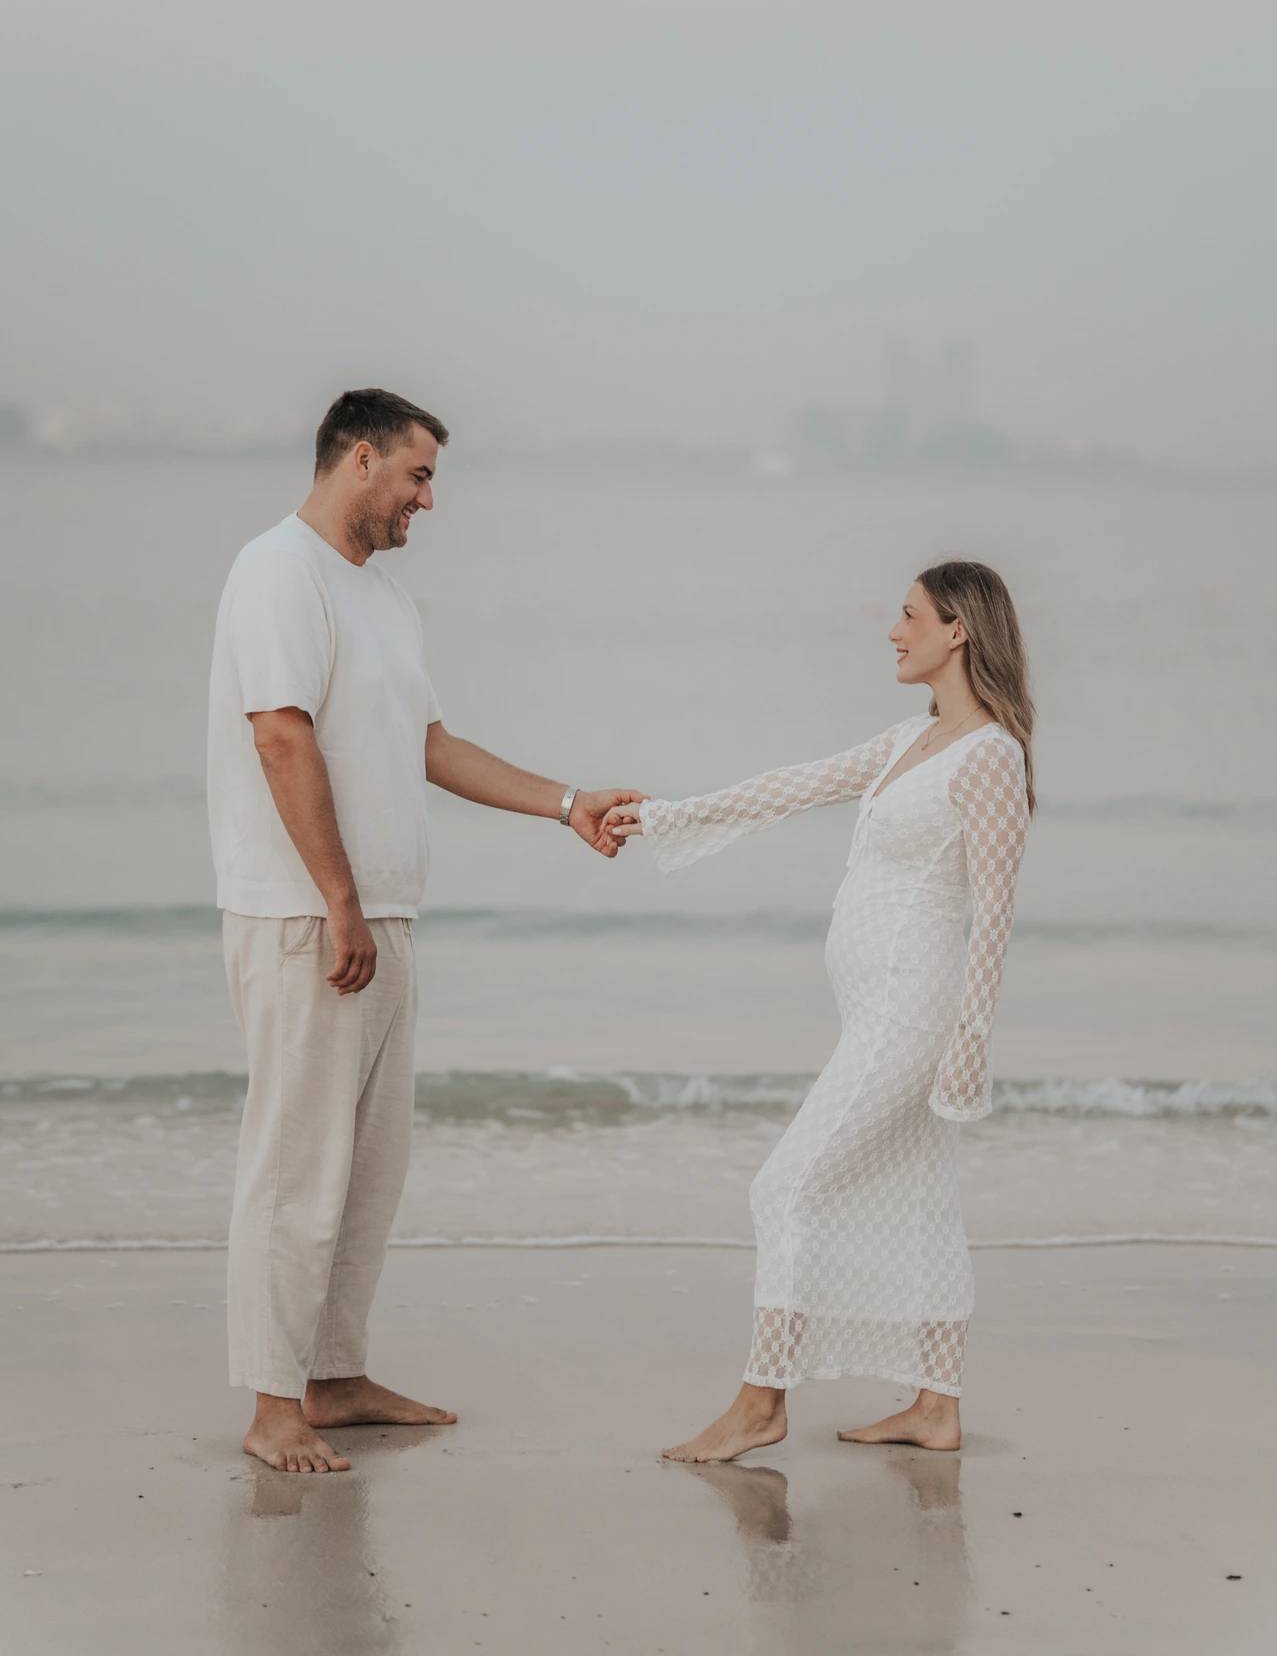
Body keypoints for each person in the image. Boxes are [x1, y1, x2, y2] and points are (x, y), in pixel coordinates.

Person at [208, 388, 646, 1474]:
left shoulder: (384, 598)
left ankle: (336, 1375)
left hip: (382, 918)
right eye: (417, 475)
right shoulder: (276, 570)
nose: (428, 499)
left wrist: (566, 803)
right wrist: (339, 902)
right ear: (359, 460)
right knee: (296, 1167)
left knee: (368, 1171)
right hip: (307, 917)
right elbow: (278, 739)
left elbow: (430, 744)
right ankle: (271, 1406)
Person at [605, 560, 1033, 1462]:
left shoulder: (990, 755)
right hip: (874, 1008)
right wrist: (666, 817)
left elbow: (993, 910)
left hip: (910, 1016)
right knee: (920, 1202)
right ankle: (935, 1404)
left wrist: (970, 1040)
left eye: (908, 615)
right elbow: (790, 785)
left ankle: (761, 1404)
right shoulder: (905, 741)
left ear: (957, 630)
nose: (891, 630)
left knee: (784, 1186)